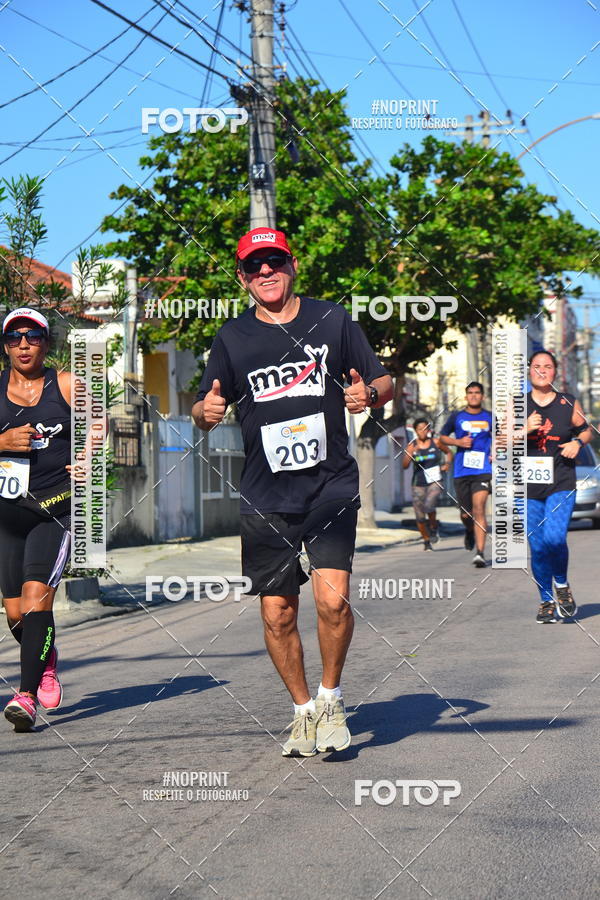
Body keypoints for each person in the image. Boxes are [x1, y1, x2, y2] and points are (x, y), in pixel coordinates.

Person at [192, 227, 393, 756]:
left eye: (274, 261)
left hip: (329, 484)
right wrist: (204, 413)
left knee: (332, 602)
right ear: (241, 277)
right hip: (264, 495)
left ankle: (331, 697)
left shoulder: (332, 320)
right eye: (254, 266)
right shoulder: (232, 339)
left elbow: (384, 379)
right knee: (278, 612)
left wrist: (367, 392)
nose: (265, 272)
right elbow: (203, 405)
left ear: (292, 264)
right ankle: (303, 711)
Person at [0, 308, 73, 731]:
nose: (23, 344)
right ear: (6, 346)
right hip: (7, 516)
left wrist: (85, 456)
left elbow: (97, 424)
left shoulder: (64, 383)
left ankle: (26, 695)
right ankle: (46, 658)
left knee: (35, 601)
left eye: (32, 336)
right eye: (14, 338)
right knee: (15, 615)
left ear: (47, 342)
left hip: (55, 510)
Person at [524, 350, 592, 623]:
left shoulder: (567, 402)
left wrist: (578, 443)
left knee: (554, 538)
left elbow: (587, 429)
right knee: (537, 546)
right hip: (527, 486)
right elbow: (500, 441)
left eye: (548, 366)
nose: (542, 371)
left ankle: (561, 585)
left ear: (555, 372)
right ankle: (545, 601)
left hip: (561, 481)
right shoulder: (517, 404)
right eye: (537, 366)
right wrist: (523, 428)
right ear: (529, 370)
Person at [439, 382, 493, 567]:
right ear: (466, 396)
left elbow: (501, 439)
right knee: (466, 514)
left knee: (479, 508)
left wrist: (496, 452)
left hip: (483, 470)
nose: (474, 396)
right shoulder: (457, 416)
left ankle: (480, 553)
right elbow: (442, 437)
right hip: (462, 471)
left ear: (483, 396)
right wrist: (458, 442)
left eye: (477, 393)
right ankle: (469, 530)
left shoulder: (490, 417)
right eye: (470, 393)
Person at [402, 418, 452, 550]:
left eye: (425, 428)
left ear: (428, 430)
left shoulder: (435, 442)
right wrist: (410, 453)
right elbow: (405, 465)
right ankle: (426, 540)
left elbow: (448, 452)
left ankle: (434, 528)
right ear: (416, 431)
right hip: (418, 483)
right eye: (419, 429)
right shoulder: (412, 446)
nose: (422, 431)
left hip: (435, 480)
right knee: (419, 515)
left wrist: (447, 464)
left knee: (429, 505)